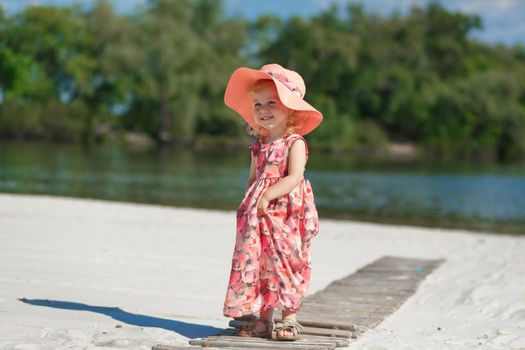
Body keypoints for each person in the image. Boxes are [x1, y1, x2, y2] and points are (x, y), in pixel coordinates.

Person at [222, 63, 323, 341]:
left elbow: (295, 177)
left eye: (271, 102)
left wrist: (267, 194)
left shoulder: (295, 143)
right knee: (260, 260)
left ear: (290, 108)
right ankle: (264, 318)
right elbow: (252, 178)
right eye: (257, 104)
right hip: (259, 214)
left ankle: (288, 318)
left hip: (286, 213)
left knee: (287, 261)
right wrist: (248, 202)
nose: (263, 109)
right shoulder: (259, 145)